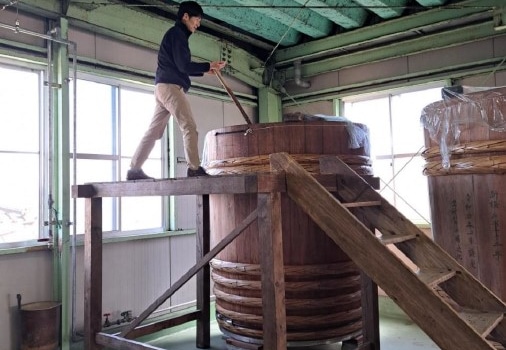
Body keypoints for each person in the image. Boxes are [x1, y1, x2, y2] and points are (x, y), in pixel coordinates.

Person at [127, 1, 226, 180]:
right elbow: (183, 65)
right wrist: (207, 65)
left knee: (154, 131)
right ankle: (194, 168)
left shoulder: (175, 35)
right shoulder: (178, 34)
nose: (198, 24)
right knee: (189, 127)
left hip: (162, 87)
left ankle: (134, 169)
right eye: (197, 19)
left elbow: (181, 66)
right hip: (171, 88)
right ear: (185, 16)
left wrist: (206, 70)